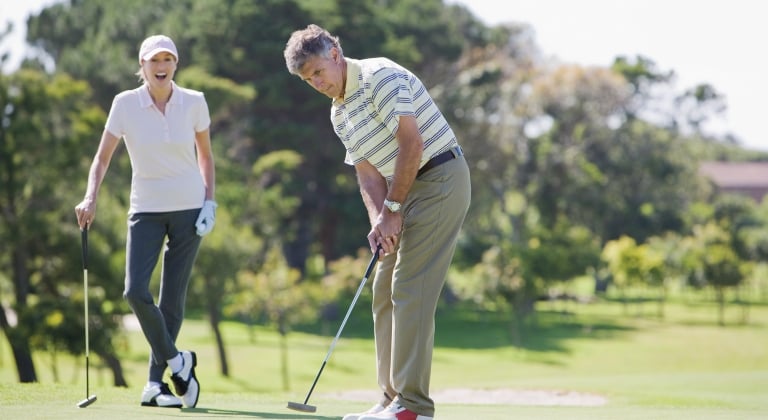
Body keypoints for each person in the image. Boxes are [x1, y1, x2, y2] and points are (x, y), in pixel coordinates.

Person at [283, 24, 471, 420]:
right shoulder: (339, 112)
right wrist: (378, 220)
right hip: (401, 192)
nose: (316, 83)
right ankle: (390, 399)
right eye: (307, 79)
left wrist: (393, 210)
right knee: (383, 287)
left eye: (318, 72)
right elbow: (367, 173)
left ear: (335, 54)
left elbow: (412, 144)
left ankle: (413, 406)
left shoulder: (378, 77)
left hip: (439, 178)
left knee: (409, 286)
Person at [74, 34, 216, 409]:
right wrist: (90, 196)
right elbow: (102, 158)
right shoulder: (125, 104)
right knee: (135, 291)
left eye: (168, 59)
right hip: (145, 209)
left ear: (176, 64)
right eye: (154, 60)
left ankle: (155, 385)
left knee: (172, 300)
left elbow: (206, 156)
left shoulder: (195, 102)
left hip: (189, 209)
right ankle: (178, 362)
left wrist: (209, 201)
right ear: (142, 66)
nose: (161, 66)